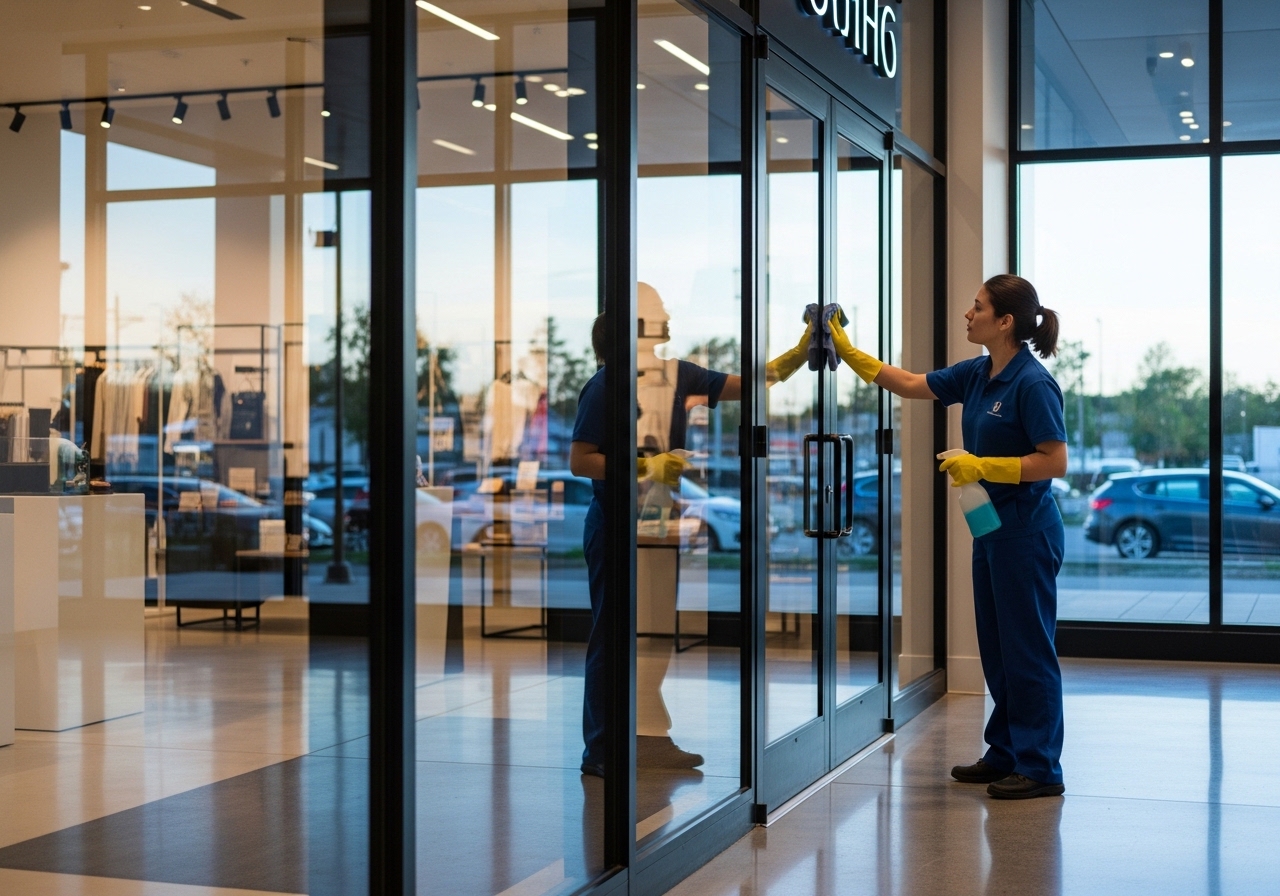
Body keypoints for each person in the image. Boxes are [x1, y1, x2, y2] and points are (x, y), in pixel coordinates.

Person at [829, 274, 1068, 800]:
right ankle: (1005, 752)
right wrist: (845, 349)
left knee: (1027, 650)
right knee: (999, 649)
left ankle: (1040, 767)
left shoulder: (1032, 383)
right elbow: (909, 383)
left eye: (977, 307)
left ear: (1004, 321)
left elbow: (1055, 461)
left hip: (1027, 534)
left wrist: (983, 463)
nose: (968, 313)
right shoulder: (979, 374)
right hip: (991, 531)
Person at [570, 283, 811, 778]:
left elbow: (749, 383)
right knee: (615, 636)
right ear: (638, 322)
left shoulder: (678, 375)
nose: (669, 312)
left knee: (654, 635)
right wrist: (646, 467)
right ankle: (602, 749)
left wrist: (802, 351)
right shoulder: (606, 384)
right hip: (616, 529)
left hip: (658, 526)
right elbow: (581, 461)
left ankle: (648, 736)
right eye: (659, 308)